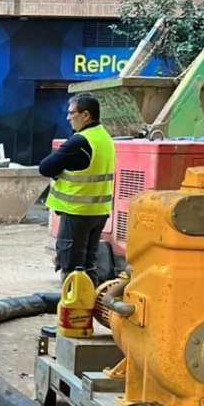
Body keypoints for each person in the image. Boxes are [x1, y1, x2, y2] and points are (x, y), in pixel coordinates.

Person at [39, 92, 115, 286]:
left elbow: (45, 167)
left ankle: (74, 303)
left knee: (72, 268)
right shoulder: (104, 137)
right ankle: (90, 302)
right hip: (98, 212)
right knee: (88, 265)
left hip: (77, 212)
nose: (68, 117)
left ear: (85, 115)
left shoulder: (80, 141)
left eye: (71, 112)